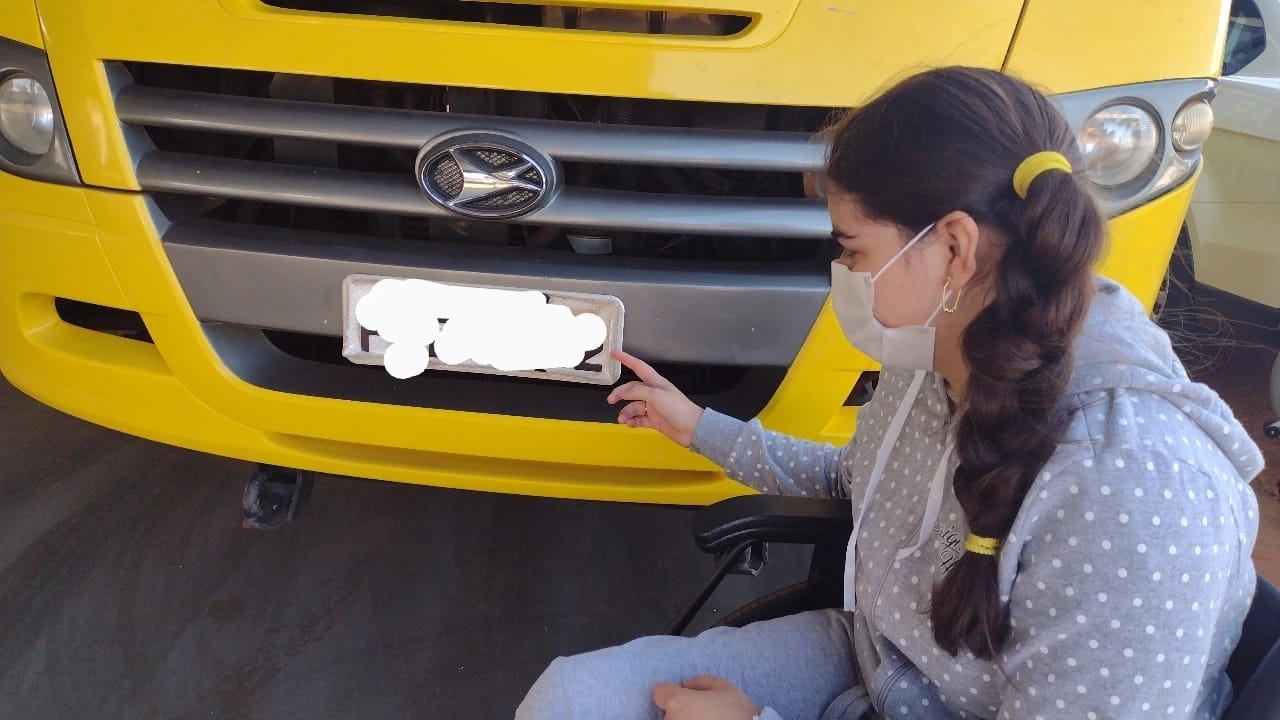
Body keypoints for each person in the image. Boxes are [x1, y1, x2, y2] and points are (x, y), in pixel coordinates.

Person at [515, 66, 1265, 720]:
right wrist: (699, 426)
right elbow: (865, 480)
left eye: (852, 249)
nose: (843, 275)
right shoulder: (943, 346)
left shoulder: (1134, 486)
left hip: (940, 696)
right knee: (572, 700)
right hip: (883, 662)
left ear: (954, 247)